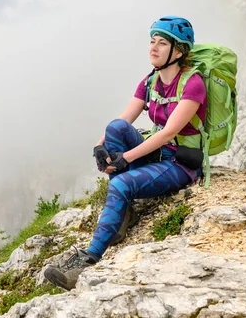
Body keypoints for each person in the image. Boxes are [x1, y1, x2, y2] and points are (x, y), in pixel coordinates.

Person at [43, 16, 207, 291]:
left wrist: (125, 159)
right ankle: (122, 212)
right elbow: (124, 118)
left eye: (162, 42)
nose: (153, 48)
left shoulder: (193, 84)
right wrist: (100, 147)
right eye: (152, 41)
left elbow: (168, 133)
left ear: (178, 51)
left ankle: (88, 260)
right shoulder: (151, 81)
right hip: (155, 154)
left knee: (120, 182)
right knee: (115, 128)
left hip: (179, 163)